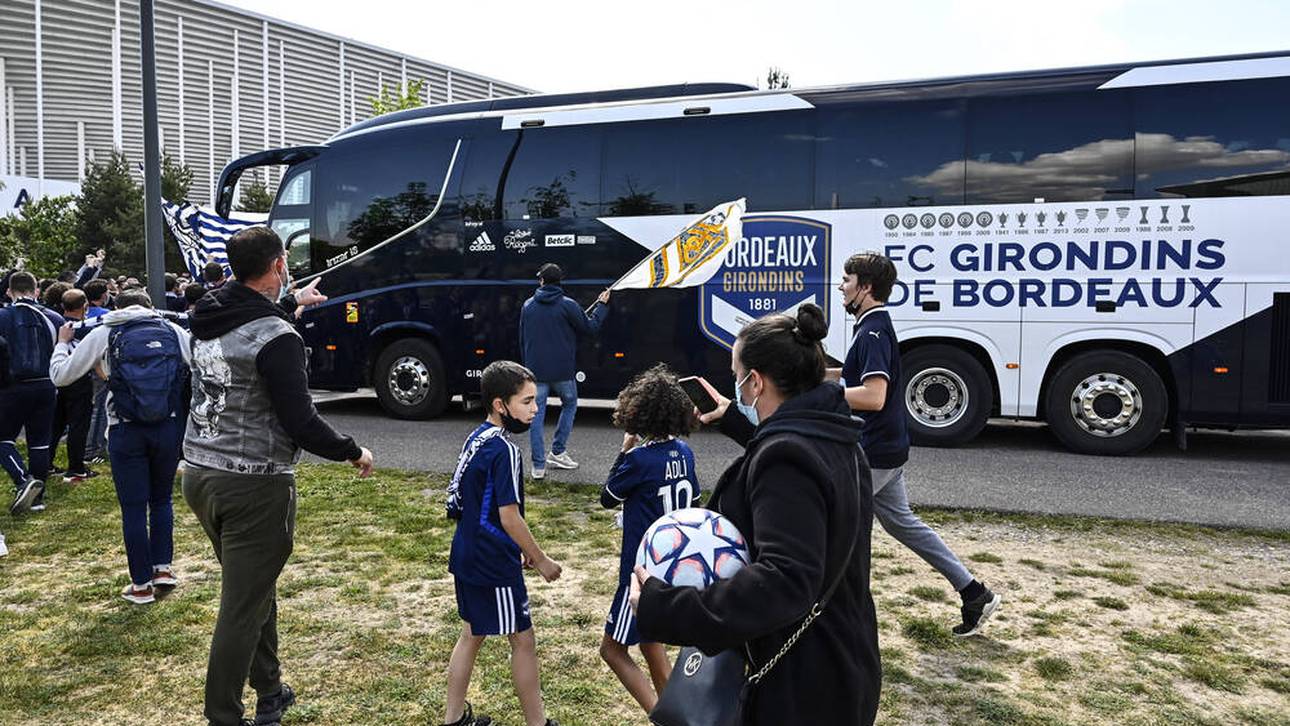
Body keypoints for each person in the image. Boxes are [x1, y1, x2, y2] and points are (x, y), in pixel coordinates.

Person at [630, 303, 881, 725]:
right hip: (843, 658)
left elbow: (784, 581)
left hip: (803, 686)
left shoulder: (788, 458)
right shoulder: (835, 437)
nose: (738, 388)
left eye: (737, 376)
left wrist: (668, 607)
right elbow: (791, 457)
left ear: (757, 381)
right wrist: (732, 418)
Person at [183, 226, 372, 726]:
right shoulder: (277, 337)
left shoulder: (205, 313)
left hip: (200, 471)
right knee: (242, 606)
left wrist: (290, 303)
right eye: (284, 263)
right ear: (277, 266)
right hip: (253, 482)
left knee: (254, 587)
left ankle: (269, 688)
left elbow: (245, 327)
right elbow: (301, 420)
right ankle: (224, 715)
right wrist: (351, 451)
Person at [832, 252, 1001, 636]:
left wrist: (824, 395)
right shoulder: (873, 326)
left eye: (846, 279)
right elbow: (856, 375)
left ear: (865, 287)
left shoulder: (872, 331)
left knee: (836, 527)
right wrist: (815, 376)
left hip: (873, 452)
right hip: (889, 448)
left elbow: (874, 396)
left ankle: (841, 617)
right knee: (904, 525)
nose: (841, 286)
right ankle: (975, 593)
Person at [50, 290, 191, 604]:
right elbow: (198, 362)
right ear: (150, 307)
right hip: (166, 425)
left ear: (117, 307)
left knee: (133, 508)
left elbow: (61, 376)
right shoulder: (171, 330)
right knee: (162, 500)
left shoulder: (105, 332)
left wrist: (62, 343)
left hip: (125, 429)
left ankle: (141, 585)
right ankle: (163, 569)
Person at [443, 360, 562, 726]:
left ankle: (453, 719)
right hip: (492, 562)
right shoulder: (506, 452)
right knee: (523, 641)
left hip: (465, 553)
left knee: (472, 633)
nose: (535, 408)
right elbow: (508, 516)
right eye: (526, 402)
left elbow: (471, 505)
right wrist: (538, 558)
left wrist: (519, 548)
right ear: (500, 405)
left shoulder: (478, 437)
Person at [597, 364, 698, 713]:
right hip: (672, 564)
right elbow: (695, 504)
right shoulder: (685, 452)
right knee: (652, 643)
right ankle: (677, 714)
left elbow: (608, 496)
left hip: (639, 571)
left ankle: (664, 716)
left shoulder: (638, 460)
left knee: (611, 650)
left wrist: (624, 451)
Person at [517, 263, 610, 480]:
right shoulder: (568, 305)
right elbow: (590, 328)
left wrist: (526, 368)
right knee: (569, 404)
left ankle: (538, 467)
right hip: (563, 371)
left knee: (535, 416)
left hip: (535, 371)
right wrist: (602, 305)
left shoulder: (528, 306)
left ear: (541, 281)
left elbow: (523, 340)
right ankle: (558, 452)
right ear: (560, 282)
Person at [0, 271, 65, 515]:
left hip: (12, 385)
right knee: (40, 442)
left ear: (9, 291)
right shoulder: (53, 317)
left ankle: (23, 480)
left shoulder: (3, 316)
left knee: (3, 438)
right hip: (47, 384)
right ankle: (37, 498)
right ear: (36, 290)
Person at [48, 288, 98, 484]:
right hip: (79, 379)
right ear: (85, 306)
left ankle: (46, 463)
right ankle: (76, 468)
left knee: (56, 423)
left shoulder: (56, 323)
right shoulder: (88, 328)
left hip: (56, 375)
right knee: (79, 425)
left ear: (63, 306)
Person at [81, 278, 112, 465]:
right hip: (100, 367)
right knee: (99, 409)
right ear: (103, 295)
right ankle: (92, 448)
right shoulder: (106, 316)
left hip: (81, 366)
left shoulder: (81, 315)